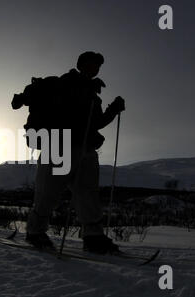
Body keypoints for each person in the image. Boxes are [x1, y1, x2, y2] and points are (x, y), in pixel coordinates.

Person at [23, 51, 126, 253]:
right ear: (81, 64)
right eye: (92, 63)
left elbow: (95, 123)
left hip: (86, 148)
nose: (95, 68)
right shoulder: (64, 83)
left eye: (98, 65)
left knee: (88, 193)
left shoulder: (94, 95)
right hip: (60, 144)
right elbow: (58, 110)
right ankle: (35, 232)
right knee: (49, 192)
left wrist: (113, 110)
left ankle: (93, 236)